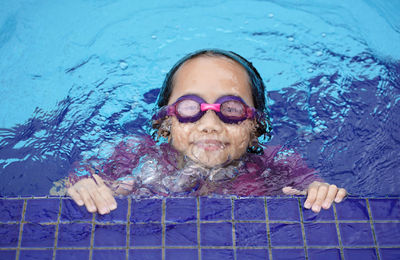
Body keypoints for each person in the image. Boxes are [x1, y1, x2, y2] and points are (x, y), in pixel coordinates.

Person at [67, 49, 347, 215]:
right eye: (190, 107)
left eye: (232, 109)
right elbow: (68, 184)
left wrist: (318, 192)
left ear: (255, 127)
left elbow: (315, 187)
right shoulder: (132, 153)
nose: (210, 123)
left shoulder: (279, 163)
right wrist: (83, 189)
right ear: (166, 124)